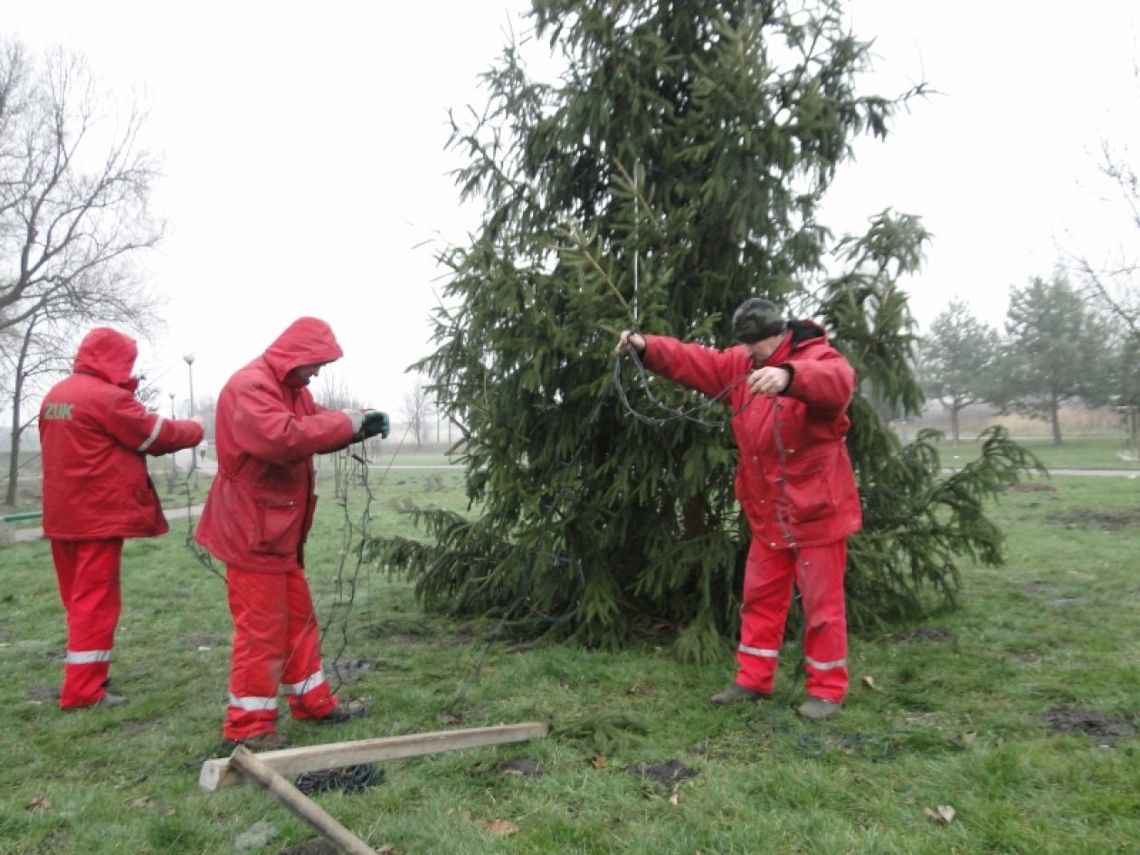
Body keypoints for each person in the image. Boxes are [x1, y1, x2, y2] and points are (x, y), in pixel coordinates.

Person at [616, 297, 861, 720]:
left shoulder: (815, 357)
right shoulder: (740, 365)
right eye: (744, 346)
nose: (748, 354)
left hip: (817, 511)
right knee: (759, 599)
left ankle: (826, 691)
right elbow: (696, 361)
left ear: (778, 335)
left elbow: (837, 381)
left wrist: (788, 377)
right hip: (768, 512)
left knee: (823, 607)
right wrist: (645, 346)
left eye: (756, 347)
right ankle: (753, 681)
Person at [194, 316, 389, 750]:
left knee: (298, 621)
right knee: (260, 631)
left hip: (277, 531)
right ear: (295, 356)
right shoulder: (250, 387)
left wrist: (358, 422)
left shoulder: (292, 390)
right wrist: (348, 423)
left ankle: (312, 703)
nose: (318, 371)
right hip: (252, 531)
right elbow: (283, 438)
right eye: (316, 363)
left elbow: (317, 424)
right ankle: (248, 729)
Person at [39, 327, 205, 709]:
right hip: (96, 516)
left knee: (77, 599)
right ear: (115, 359)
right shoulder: (106, 398)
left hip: (62, 514)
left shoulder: (56, 395)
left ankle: (88, 675)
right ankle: (83, 691)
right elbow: (156, 436)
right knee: (95, 602)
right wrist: (195, 428)